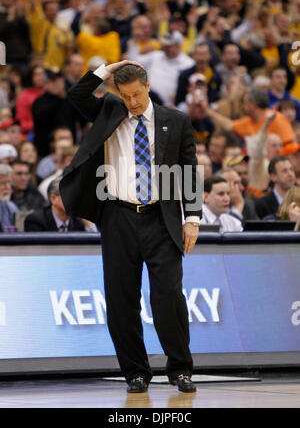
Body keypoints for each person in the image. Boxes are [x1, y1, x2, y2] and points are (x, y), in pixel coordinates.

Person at [60, 59, 201, 393]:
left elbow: (189, 171)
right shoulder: (109, 110)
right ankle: (135, 373)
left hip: (160, 218)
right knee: (121, 300)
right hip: (118, 217)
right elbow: (76, 94)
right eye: (125, 96)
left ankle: (180, 369)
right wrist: (106, 69)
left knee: (168, 297)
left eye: (136, 94)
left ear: (148, 85)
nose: (132, 102)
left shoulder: (175, 121)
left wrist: (192, 218)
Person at [204, 88, 297, 146]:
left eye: (244, 103)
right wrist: (206, 110)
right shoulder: (249, 121)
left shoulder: (277, 119)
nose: (242, 107)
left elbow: (291, 144)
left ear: (252, 105)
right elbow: (229, 124)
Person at [25, 176, 97, 232]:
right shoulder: (36, 220)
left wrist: (88, 223)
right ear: (53, 198)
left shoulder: (79, 222)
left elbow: (95, 245)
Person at [0, 163, 19, 232]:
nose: (8, 187)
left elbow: (20, 233)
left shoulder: (10, 206)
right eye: (2, 183)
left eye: (9, 182)